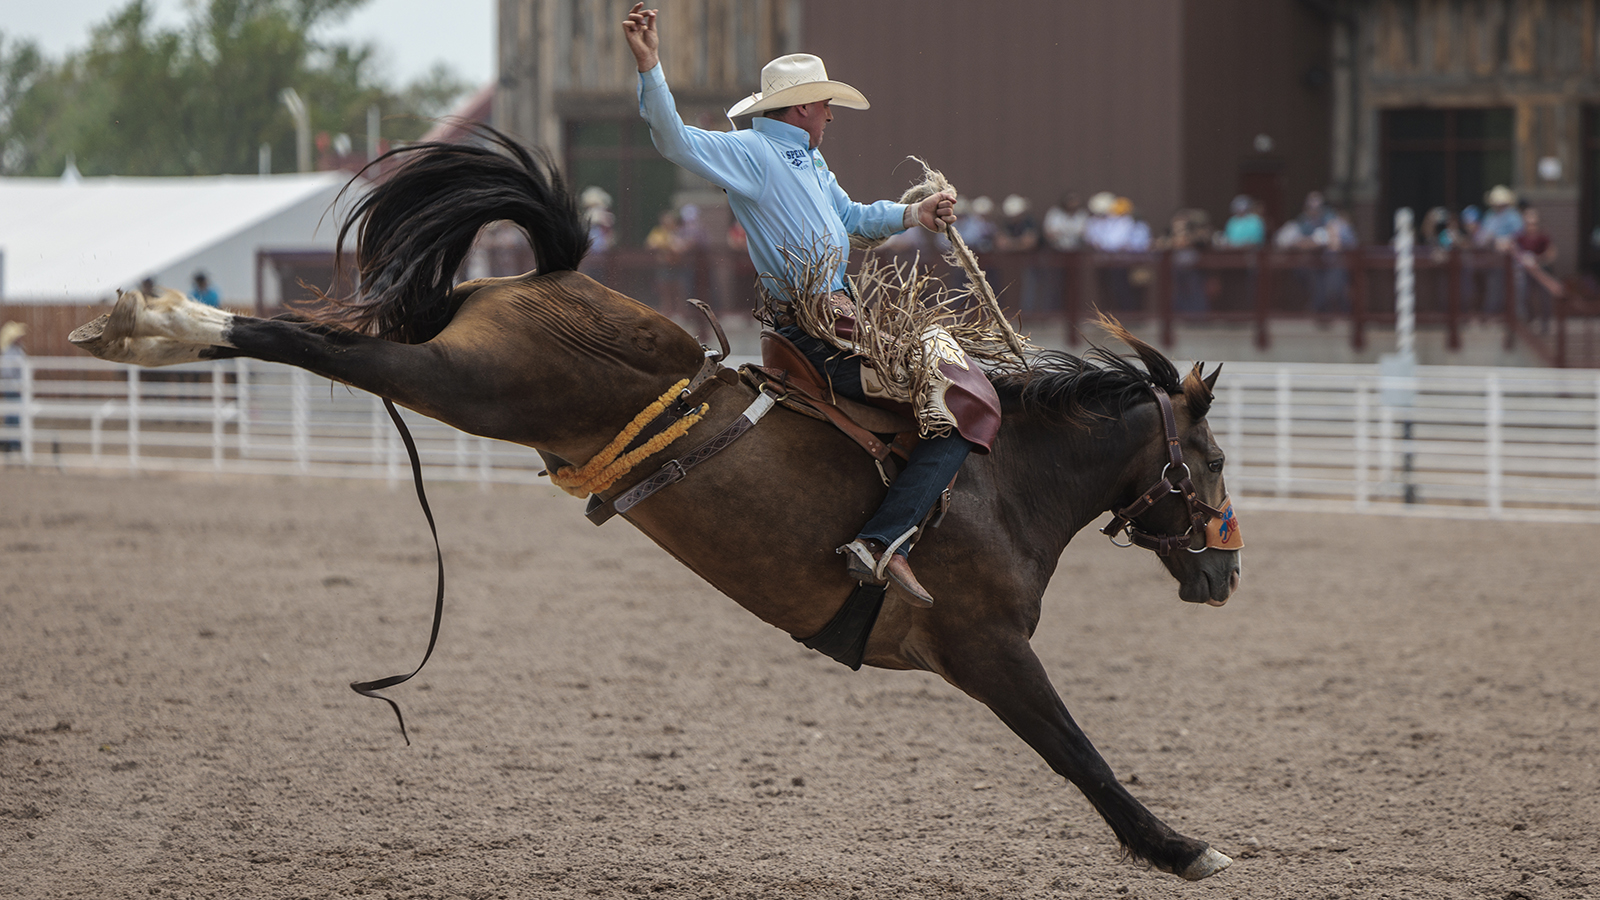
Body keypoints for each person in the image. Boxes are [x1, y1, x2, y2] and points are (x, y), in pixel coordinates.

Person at [624, 2, 982, 608]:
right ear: (800, 108)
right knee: (962, 406)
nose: (830, 115)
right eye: (824, 104)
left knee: (955, 389)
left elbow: (852, 219)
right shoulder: (754, 153)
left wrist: (913, 213)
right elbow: (675, 140)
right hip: (817, 325)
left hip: (839, 318)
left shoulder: (808, 160)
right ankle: (882, 539)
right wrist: (651, 69)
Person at [1, 322, 26, 454]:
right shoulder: (10, 352)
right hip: (13, 387)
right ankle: (12, 442)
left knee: (15, 414)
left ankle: (13, 441)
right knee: (13, 414)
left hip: (17, 387)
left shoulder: (16, 351)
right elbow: (7, 371)